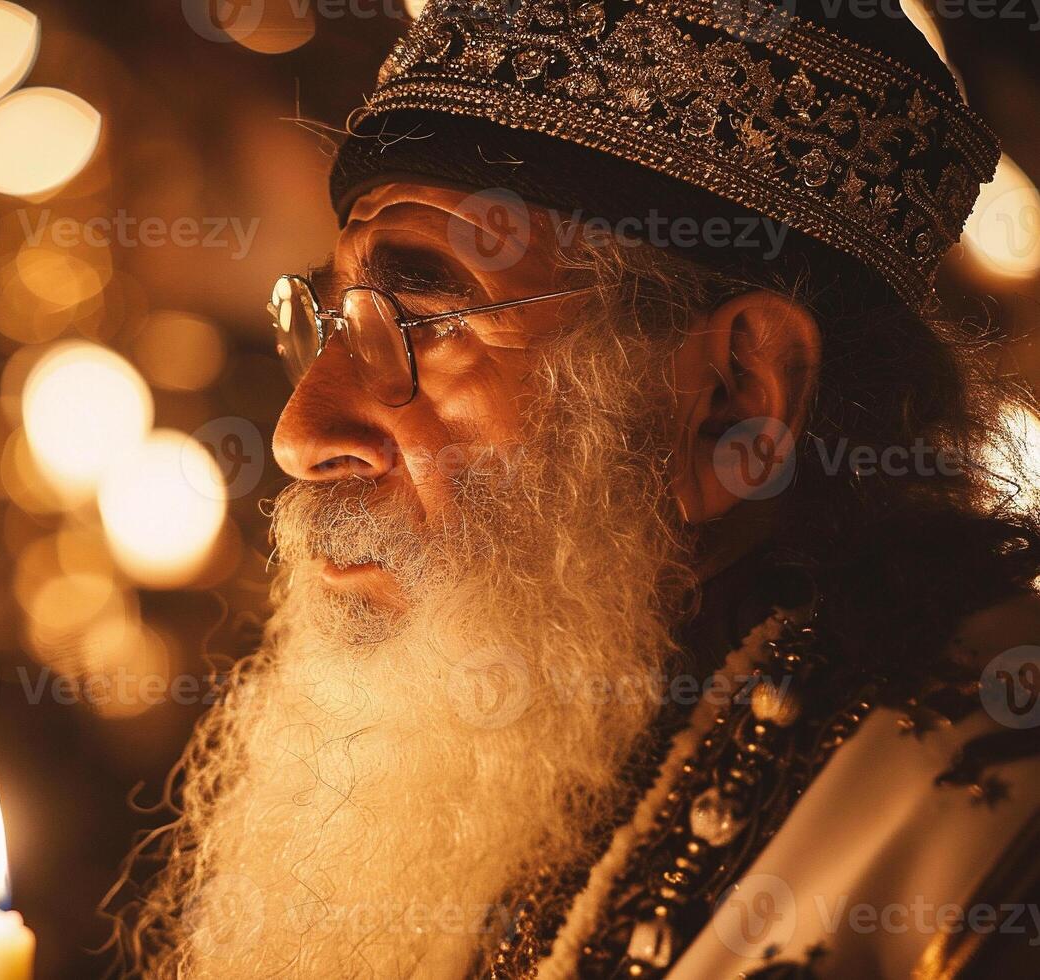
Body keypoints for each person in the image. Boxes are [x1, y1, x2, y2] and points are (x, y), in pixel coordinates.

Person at [117, 1, 1040, 976]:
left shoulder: (984, 835)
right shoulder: (516, 748)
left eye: (423, 320)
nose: (303, 433)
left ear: (737, 400)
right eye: (334, 321)